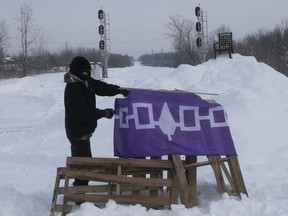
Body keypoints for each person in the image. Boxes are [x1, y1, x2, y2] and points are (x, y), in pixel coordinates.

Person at [64, 56, 129, 186]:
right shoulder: (73, 89)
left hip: (84, 133)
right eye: (85, 72)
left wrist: (118, 90)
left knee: (85, 166)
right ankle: (79, 198)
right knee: (83, 169)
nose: (88, 74)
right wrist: (104, 113)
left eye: (89, 71)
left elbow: (100, 87)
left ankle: (80, 196)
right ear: (78, 71)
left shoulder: (84, 81)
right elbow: (84, 113)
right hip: (78, 133)